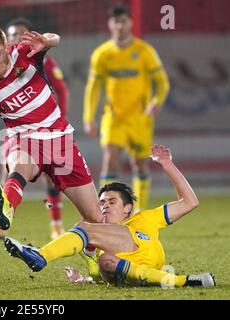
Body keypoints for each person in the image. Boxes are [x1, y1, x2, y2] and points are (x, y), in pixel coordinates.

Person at [0, 28, 104, 241]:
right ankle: (6, 210)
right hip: (23, 139)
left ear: (6, 48)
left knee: (95, 217)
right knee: (19, 166)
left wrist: (46, 41)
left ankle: (96, 262)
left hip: (59, 139)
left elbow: (56, 39)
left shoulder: (24, 53)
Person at [4, 144, 216, 288]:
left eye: (112, 202)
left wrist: (167, 165)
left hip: (146, 254)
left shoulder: (144, 219)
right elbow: (98, 273)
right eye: (102, 202)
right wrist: (84, 280)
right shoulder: (99, 244)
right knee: (105, 261)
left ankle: (41, 256)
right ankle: (180, 281)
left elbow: (190, 202)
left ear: (128, 208)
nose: (104, 206)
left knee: (84, 227)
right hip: (128, 272)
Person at [0, 18, 70, 240]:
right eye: (12, 35)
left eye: (21, 34)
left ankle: (56, 225)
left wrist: (60, 120)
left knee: (52, 177)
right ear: (5, 40)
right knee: (8, 170)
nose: (16, 38)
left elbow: (62, 90)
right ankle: (2, 220)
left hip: (47, 129)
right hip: (18, 131)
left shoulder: (40, 58)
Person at [83, 4, 170, 212]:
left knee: (139, 164)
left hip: (140, 118)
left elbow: (163, 82)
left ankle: (136, 211)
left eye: (123, 21)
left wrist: (156, 101)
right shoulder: (102, 54)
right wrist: (88, 118)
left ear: (130, 23)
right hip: (113, 118)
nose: (120, 26)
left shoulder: (144, 51)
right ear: (110, 24)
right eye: (116, 22)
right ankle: (104, 210)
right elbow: (93, 88)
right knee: (110, 159)